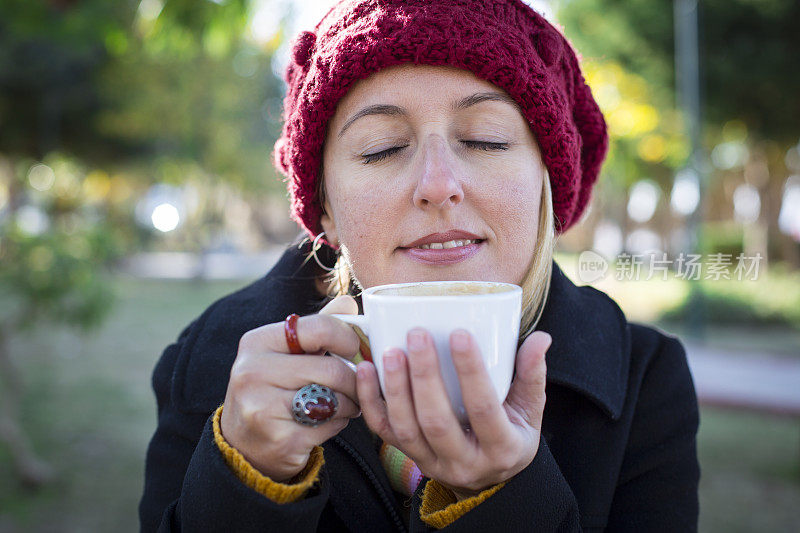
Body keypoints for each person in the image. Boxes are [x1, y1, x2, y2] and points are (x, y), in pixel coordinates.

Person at [139, 0, 700, 531]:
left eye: (486, 139)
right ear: (325, 208)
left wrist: (503, 499)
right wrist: (248, 475)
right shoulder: (214, 366)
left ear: (546, 185)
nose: (437, 186)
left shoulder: (644, 381)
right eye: (381, 148)